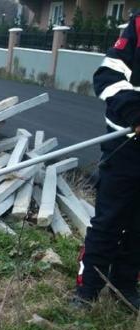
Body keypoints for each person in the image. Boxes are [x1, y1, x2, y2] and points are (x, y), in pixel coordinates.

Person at [72, 12, 140, 311]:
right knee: (109, 220)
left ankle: (125, 286)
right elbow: (107, 78)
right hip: (126, 143)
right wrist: (135, 112)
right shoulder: (138, 26)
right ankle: (87, 290)